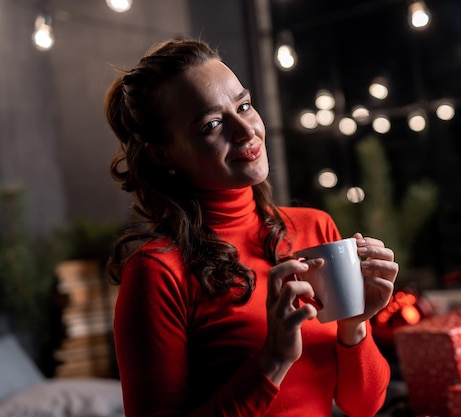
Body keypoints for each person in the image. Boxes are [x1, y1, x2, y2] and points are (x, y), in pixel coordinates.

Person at [103, 37, 398, 417]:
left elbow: (364, 405)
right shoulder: (158, 273)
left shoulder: (315, 229)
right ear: (164, 154)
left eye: (243, 105)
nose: (246, 130)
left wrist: (355, 326)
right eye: (212, 124)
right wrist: (272, 361)